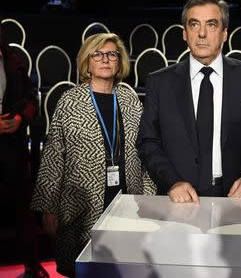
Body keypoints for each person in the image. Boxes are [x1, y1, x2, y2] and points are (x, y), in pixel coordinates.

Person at [30, 33, 156, 277]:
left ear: (120, 62)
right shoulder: (70, 101)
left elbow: (144, 151)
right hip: (81, 203)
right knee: (85, 268)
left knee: (124, 268)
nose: (105, 59)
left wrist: (149, 197)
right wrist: (48, 207)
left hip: (127, 198)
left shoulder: (130, 99)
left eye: (112, 54)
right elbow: (54, 156)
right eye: (97, 54)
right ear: (87, 62)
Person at [136, 0, 241, 203]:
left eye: (211, 25)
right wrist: (172, 182)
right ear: (185, 33)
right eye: (194, 25)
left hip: (234, 198)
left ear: (224, 33)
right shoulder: (160, 82)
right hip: (178, 199)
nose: (202, 34)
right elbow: (148, 142)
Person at [0, 23, 49, 278]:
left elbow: (31, 98)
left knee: (24, 208)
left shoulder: (12, 59)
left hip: (12, 146)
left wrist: (20, 118)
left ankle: (32, 265)